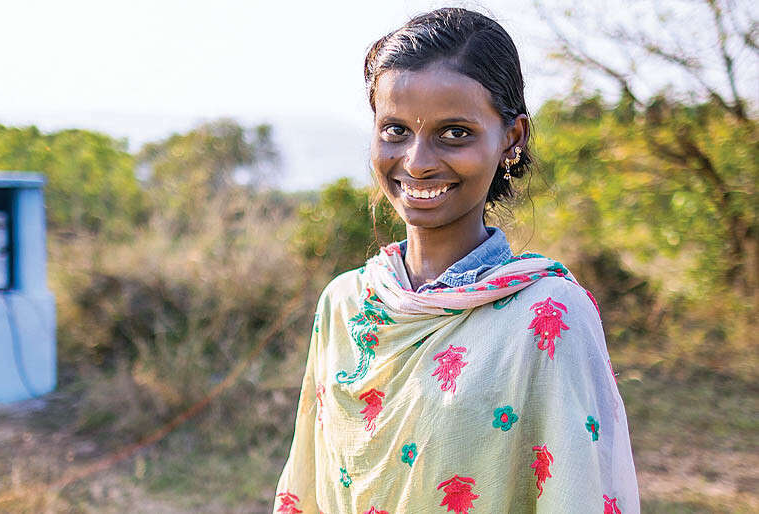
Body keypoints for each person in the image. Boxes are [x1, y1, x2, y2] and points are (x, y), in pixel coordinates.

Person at [273, 8, 639, 513]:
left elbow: (576, 491)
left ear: (512, 139)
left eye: (455, 133)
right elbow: (309, 485)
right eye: (396, 130)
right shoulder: (345, 302)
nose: (418, 161)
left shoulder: (549, 316)